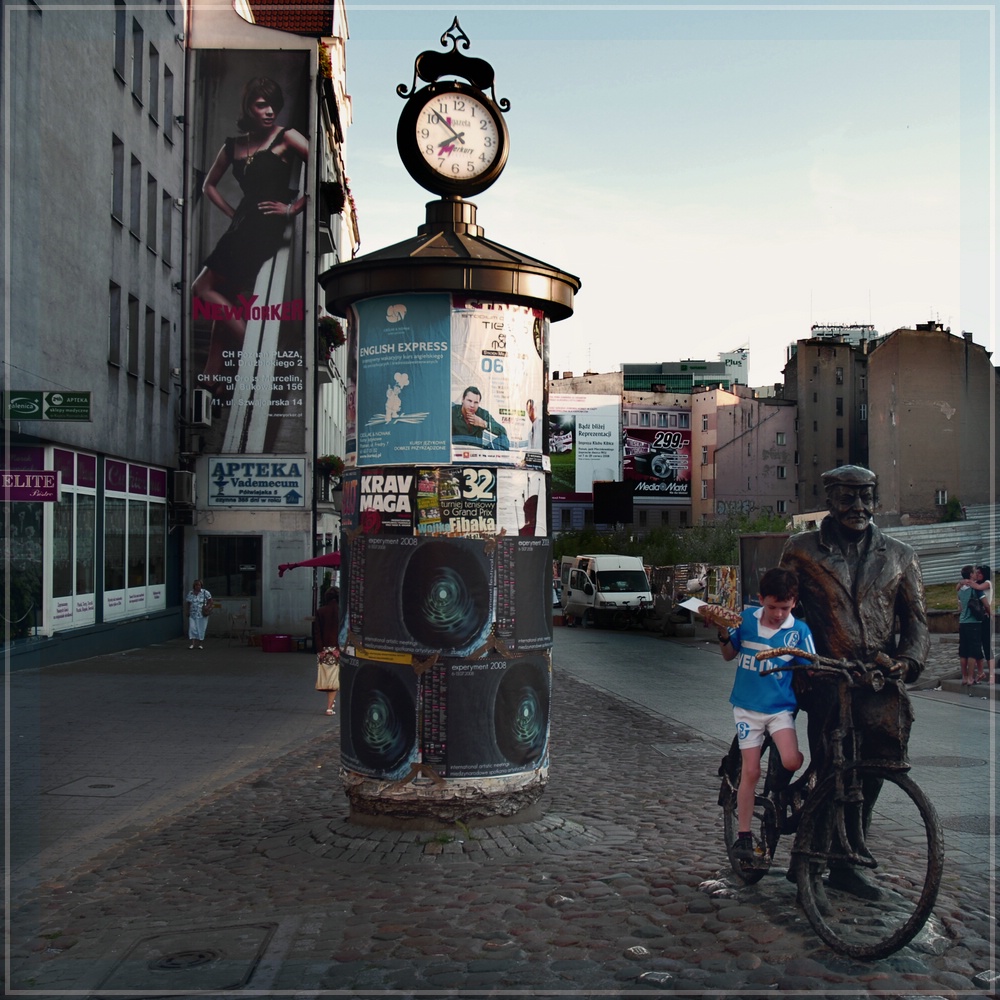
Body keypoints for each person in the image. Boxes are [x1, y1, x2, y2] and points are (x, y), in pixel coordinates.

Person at [779, 464, 929, 902]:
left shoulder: (900, 555)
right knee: (831, 767)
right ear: (830, 499)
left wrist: (908, 662)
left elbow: (917, 623)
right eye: (847, 497)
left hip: (879, 682)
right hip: (827, 677)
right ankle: (806, 863)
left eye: (866, 496)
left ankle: (844, 865)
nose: (858, 507)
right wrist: (798, 662)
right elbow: (787, 612)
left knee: (877, 772)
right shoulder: (802, 549)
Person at [192, 76, 309, 398]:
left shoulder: (287, 137)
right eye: (262, 105)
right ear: (249, 107)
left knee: (201, 289)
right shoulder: (234, 146)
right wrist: (232, 213)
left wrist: (293, 208)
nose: (270, 111)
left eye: (274, 105)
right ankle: (212, 374)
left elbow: (324, 174)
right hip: (241, 227)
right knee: (221, 297)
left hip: (262, 230)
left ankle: (255, 353)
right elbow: (208, 186)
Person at [717, 567, 813, 866]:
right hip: (747, 709)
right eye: (772, 607)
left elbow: (812, 665)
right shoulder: (745, 620)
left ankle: (792, 791)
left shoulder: (799, 631)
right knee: (752, 772)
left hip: (779, 709)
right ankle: (743, 834)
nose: (778, 614)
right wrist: (722, 632)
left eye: (785, 607)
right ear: (761, 600)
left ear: (794, 603)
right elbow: (728, 654)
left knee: (791, 760)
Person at [451, 386, 509, 450]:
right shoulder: (452, 412)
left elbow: (503, 431)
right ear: (463, 400)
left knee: (504, 440)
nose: (472, 405)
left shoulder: (482, 414)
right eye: (469, 401)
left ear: (479, 403)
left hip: (477, 452)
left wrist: (482, 423)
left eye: (476, 402)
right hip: (456, 452)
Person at [313, 587, 341, 715]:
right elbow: (345, 631)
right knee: (335, 679)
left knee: (327, 677)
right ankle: (329, 707)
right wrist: (340, 648)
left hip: (324, 649)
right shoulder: (342, 611)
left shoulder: (320, 611)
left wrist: (320, 649)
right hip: (338, 649)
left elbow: (317, 632)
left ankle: (330, 702)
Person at [957, 565, 986, 687]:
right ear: (970, 575)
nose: (976, 574)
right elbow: (986, 604)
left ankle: (964, 677)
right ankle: (970, 677)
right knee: (973, 652)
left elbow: (960, 606)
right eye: (974, 572)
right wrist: (989, 612)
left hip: (962, 622)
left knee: (963, 651)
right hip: (973, 622)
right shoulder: (976, 588)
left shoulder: (960, 589)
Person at [975, 565, 994, 684]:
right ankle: (980, 672)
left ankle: (991, 675)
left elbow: (979, 587)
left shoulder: (987, 583)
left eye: (979, 573)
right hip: (977, 618)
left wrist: (969, 581)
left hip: (986, 617)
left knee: (987, 646)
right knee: (977, 647)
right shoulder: (975, 584)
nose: (977, 575)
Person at [184, 579, 212, 649]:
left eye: (199, 585)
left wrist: (207, 607)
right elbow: (188, 603)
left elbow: (211, 601)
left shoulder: (205, 592)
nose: (197, 586)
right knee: (192, 628)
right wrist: (187, 611)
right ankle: (192, 644)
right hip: (193, 614)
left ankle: (200, 644)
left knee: (201, 628)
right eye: (196, 585)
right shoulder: (191, 593)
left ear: (201, 585)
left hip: (202, 614)